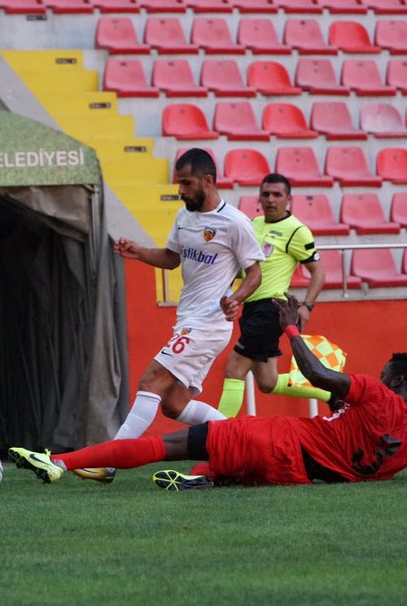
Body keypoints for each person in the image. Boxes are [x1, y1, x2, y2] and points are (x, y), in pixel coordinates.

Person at [9, 296, 407, 489]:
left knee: (167, 445)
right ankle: (207, 483)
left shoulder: (375, 395)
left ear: (397, 382)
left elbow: (316, 375)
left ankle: (61, 461)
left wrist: (291, 328)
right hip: (295, 476)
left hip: (280, 442)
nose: (379, 378)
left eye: (386, 373)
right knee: (218, 455)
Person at [74, 148, 265, 483]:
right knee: (174, 404)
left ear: (207, 180)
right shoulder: (184, 217)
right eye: (179, 183)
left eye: (187, 183)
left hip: (208, 323)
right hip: (189, 320)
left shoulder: (235, 223)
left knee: (150, 382)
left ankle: (109, 461)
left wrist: (235, 299)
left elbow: (255, 273)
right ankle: (245, 445)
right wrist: (138, 253)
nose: (181, 190)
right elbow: (171, 258)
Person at [216, 173, 328, 418]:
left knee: (235, 368)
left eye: (277, 195)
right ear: (259, 197)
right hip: (251, 309)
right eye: (265, 194)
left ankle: (213, 436)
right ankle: (331, 393)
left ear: (288, 199)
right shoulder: (253, 224)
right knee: (267, 382)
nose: (270, 199)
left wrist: (307, 305)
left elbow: (318, 271)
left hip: (271, 310)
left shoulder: (297, 230)